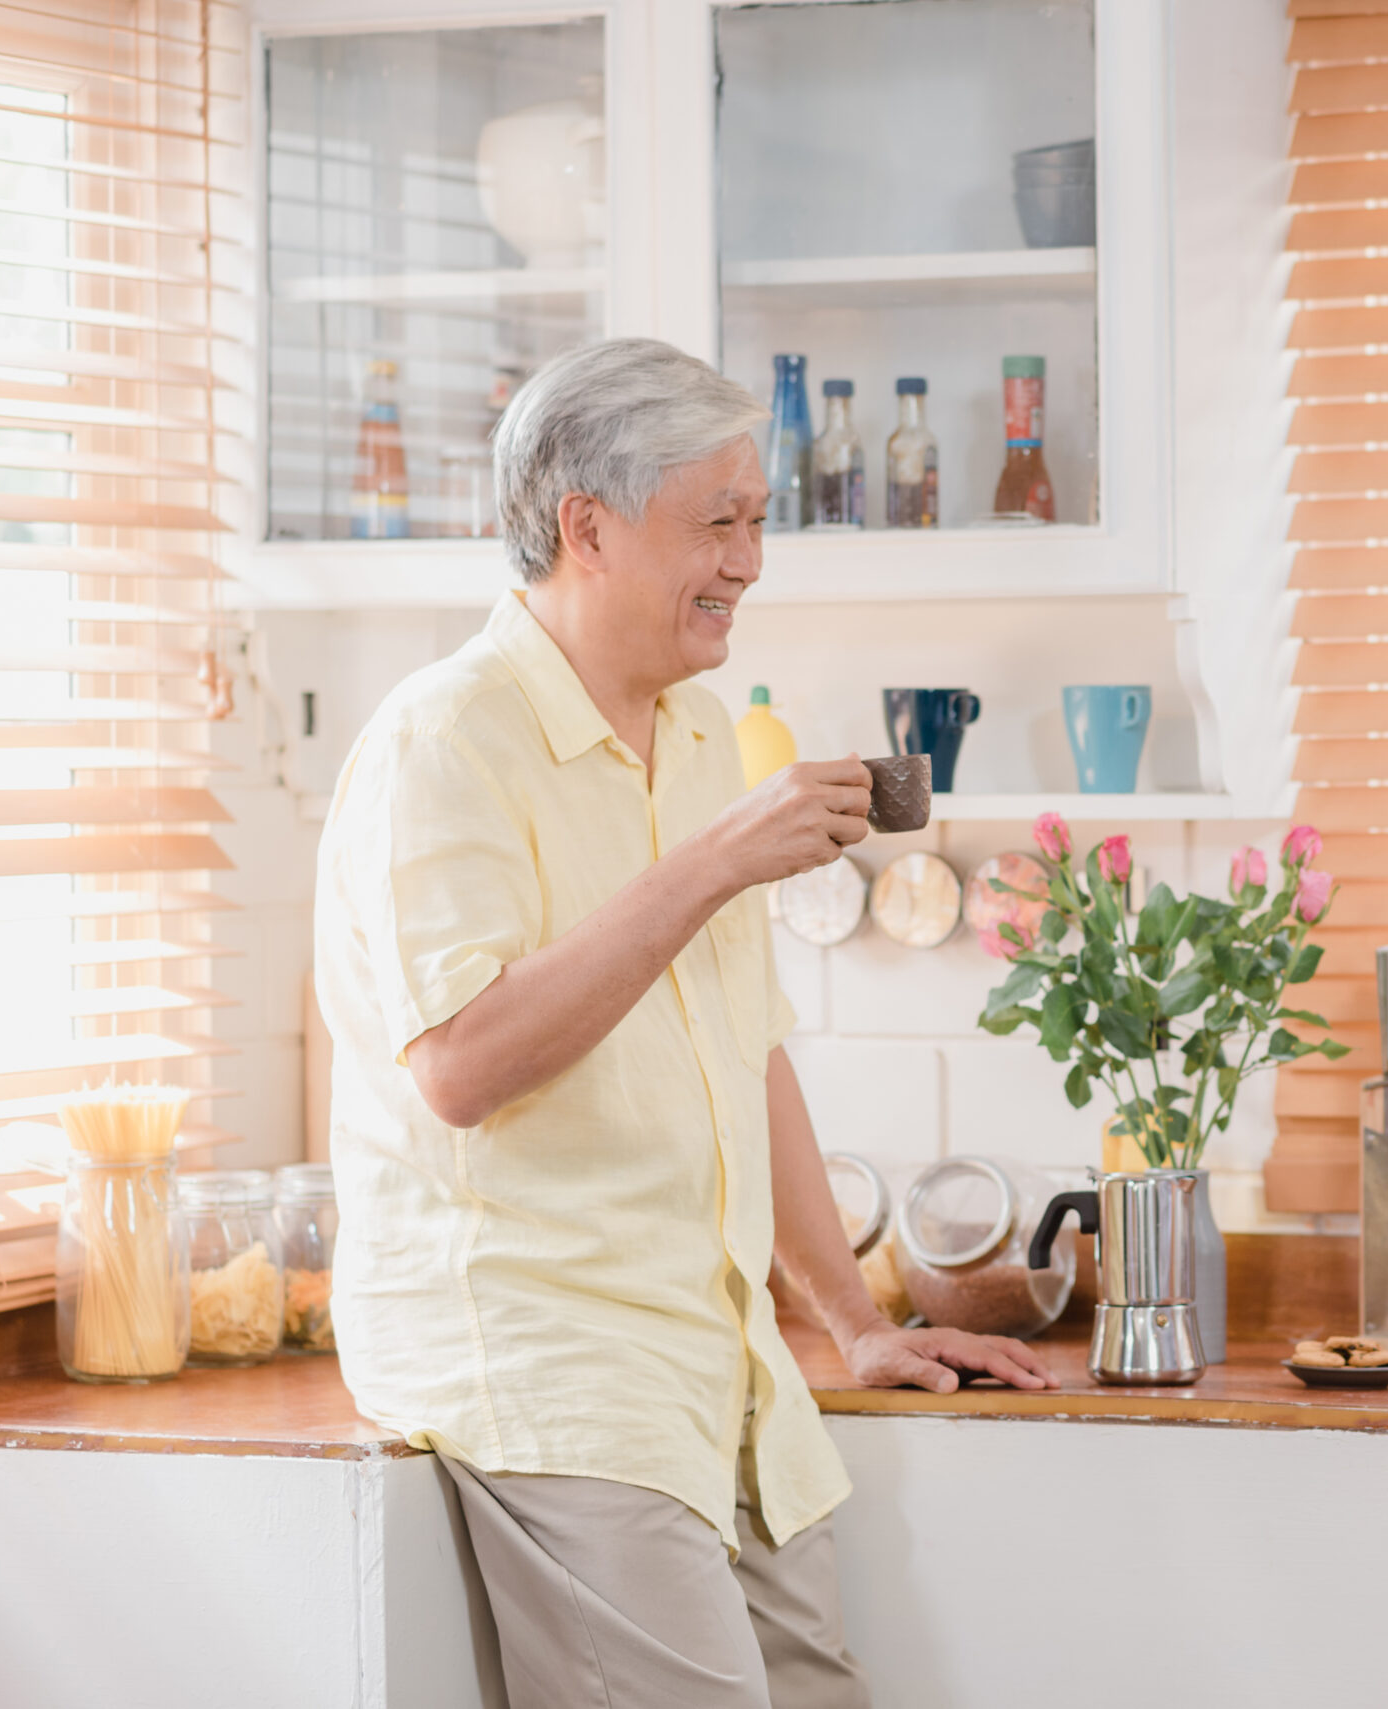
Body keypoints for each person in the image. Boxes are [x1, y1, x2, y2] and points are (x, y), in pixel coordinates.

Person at [314, 337, 1051, 1709]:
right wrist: (714, 861)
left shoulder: (701, 734)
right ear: (587, 528)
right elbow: (462, 1065)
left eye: (757, 520)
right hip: (553, 1362)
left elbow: (743, 1050)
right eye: (720, 522)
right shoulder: (444, 742)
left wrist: (851, 1320)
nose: (751, 561)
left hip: (714, 1358)